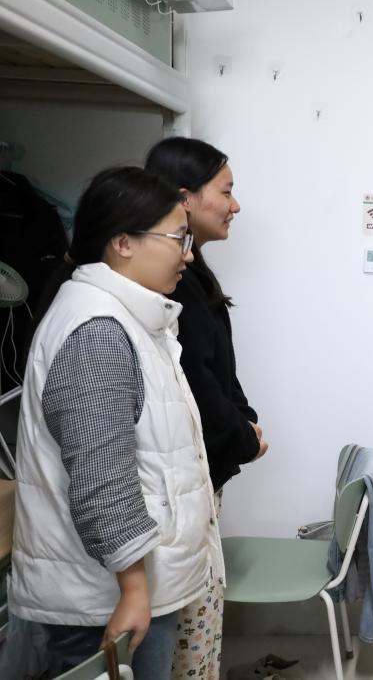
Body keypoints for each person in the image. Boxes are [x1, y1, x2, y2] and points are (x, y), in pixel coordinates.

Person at [8, 166, 223, 679]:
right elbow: (102, 477)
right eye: (178, 238)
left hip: (125, 587)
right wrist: (133, 588)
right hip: (108, 598)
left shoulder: (126, 317)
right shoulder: (97, 330)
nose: (189, 255)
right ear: (123, 242)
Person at [145, 137, 266, 679]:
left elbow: (217, 371)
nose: (235, 205)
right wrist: (244, 436)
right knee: (190, 632)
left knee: (198, 623)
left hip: (201, 474)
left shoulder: (190, 274)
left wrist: (245, 422)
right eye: (226, 191)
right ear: (185, 197)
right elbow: (197, 382)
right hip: (183, 483)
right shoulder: (171, 286)